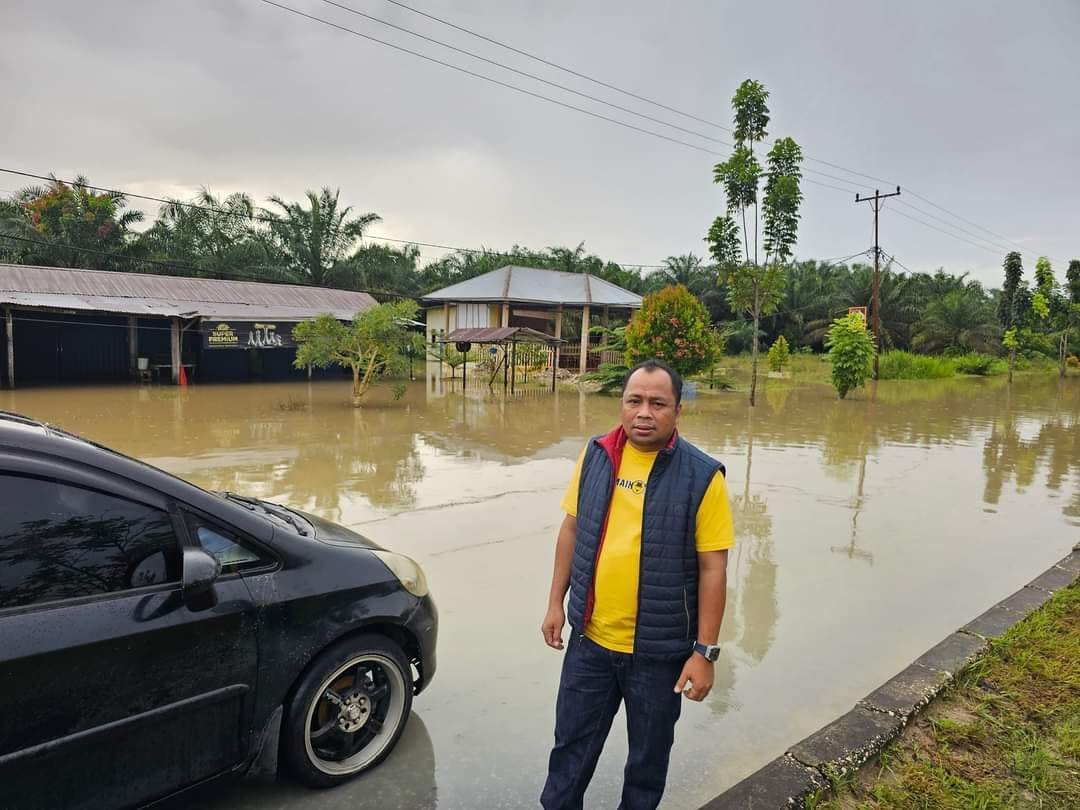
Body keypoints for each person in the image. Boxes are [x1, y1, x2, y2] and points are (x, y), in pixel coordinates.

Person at [540, 359, 734, 810]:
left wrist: (704, 653)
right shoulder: (595, 454)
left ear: (677, 410)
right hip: (590, 644)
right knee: (569, 753)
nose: (644, 412)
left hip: (660, 656)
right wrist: (555, 602)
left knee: (647, 766)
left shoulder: (702, 477)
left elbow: (714, 568)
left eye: (657, 403)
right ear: (622, 404)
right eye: (634, 400)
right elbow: (571, 529)